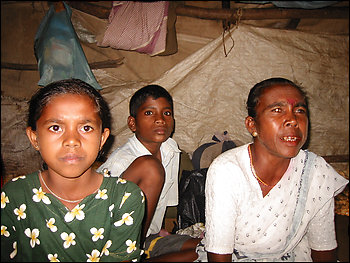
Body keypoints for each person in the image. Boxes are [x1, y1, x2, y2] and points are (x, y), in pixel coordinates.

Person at [0, 78, 163, 262]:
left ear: (102, 139)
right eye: (56, 127)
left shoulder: (125, 198)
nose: (72, 140)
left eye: (86, 128)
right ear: (34, 137)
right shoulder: (14, 196)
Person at [198, 77, 349, 262]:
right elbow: (219, 256)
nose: (293, 120)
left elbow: (323, 249)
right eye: (277, 110)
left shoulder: (315, 173)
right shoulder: (227, 171)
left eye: (300, 110)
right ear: (252, 125)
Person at [97, 84, 201, 261]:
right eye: (149, 113)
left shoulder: (170, 149)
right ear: (132, 123)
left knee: (208, 250)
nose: (160, 119)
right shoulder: (121, 162)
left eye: (167, 113)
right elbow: (101, 221)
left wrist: (161, 234)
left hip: (148, 239)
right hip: (112, 245)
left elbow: (164, 205)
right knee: (150, 167)